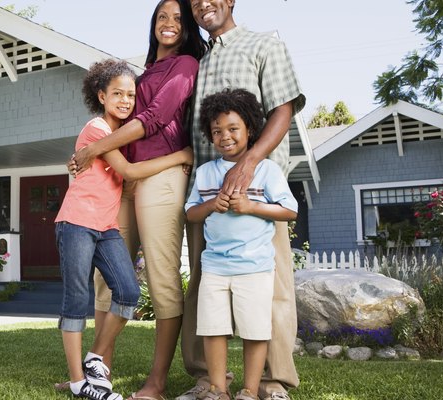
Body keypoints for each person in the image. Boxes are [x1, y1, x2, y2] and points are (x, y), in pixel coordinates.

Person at [70, 1, 207, 399]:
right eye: (162, 16)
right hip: (125, 180)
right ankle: (96, 375)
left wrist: (94, 151)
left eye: (178, 18)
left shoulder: (185, 66)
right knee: (106, 280)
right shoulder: (142, 73)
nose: (169, 24)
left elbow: (154, 119)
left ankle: (157, 383)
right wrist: (91, 149)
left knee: (163, 279)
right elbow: (115, 119)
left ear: (187, 29)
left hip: (162, 177)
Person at [178, 1, 306, 400]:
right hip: (207, 196)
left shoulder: (263, 45)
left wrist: (249, 163)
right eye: (194, 0)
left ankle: (271, 382)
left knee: (272, 292)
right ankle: (209, 380)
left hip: (258, 196)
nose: (203, 4)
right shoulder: (195, 61)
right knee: (204, 287)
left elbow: (282, 109)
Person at [184, 88, 298, 400]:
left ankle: (249, 389)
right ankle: (218, 389)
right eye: (217, 131)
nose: (225, 136)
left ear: (250, 128)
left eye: (233, 128)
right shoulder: (206, 173)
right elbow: (191, 213)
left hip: (254, 267)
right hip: (215, 268)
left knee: (255, 331)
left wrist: (251, 207)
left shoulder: (266, 170)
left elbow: (289, 210)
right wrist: (212, 205)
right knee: (213, 329)